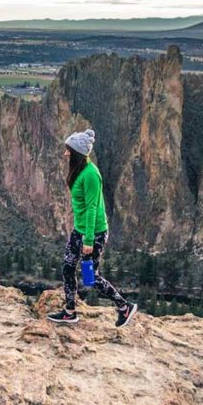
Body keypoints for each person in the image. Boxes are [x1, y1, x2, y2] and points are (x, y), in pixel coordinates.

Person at [46, 129, 138, 328]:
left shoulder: (91, 175)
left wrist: (88, 241)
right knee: (68, 267)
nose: (65, 154)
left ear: (77, 153)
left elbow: (91, 208)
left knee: (90, 277)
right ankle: (69, 312)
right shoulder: (80, 170)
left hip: (93, 234)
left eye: (68, 150)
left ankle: (124, 307)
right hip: (80, 230)